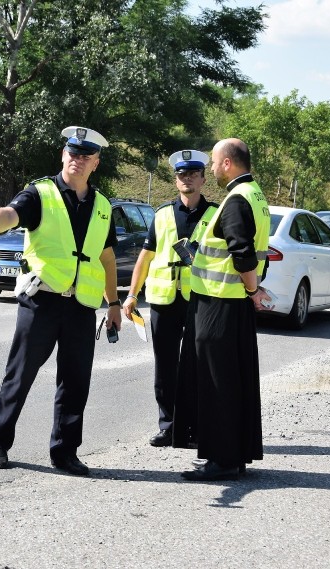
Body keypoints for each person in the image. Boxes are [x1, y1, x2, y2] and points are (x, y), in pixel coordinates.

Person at [0, 126, 122, 476]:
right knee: (20, 375)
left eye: (85, 156)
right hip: (42, 302)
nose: (77, 160)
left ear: (96, 163)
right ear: (63, 155)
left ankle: (65, 452)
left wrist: (113, 304)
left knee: (75, 381)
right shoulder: (40, 193)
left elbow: (108, 258)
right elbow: (10, 215)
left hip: (82, 306)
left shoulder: (102, 206)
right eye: (72, 153)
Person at [176, 138, 273, 481]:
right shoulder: (256, 195)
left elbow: (242, 252)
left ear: (228, 163)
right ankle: (233, 454)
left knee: (218, 383)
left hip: (220, 303)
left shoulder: (236, 199)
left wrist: (253, 289)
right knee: (234, 381)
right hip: (230, 305)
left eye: (215, 163)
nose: (213, 168)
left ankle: (223, 460)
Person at [122, 150, 217, 448]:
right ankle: (169, 426)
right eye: (181, 175)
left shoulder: (216, 214)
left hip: (202, 301)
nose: (186, 179)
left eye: (192, 174)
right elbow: (145, 258)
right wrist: (132, 295)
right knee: (165, 367)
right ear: (176, 180)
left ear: (202, 178)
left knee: (200, 365)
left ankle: (199, 426)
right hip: (164, 301)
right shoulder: (162, 214)